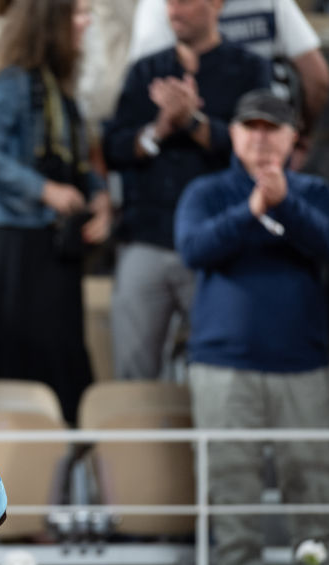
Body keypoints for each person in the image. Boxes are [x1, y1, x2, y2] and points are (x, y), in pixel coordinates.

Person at [175, 90, 329, 565]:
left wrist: (283, 203)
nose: (261, 138)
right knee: (231, 491)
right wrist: (250, 209)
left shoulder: (313, 192)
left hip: (302, 366)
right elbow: (193, 249)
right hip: (223, 367)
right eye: (251, 127)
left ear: (293, 138)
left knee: (312, 486)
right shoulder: (205, 192)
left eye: (273, 129)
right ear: (233, 134)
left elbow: (328, 244)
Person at [102, 0, 270, 380]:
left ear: (216, 5)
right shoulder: (146, 70)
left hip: (218, 244)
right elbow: (114, 148)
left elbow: (258, 149)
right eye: (170, 2)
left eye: (186, 1)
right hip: (146, 236)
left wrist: (194, 122)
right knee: (132, 370)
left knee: (222, 369)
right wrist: (160, 128)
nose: (174, 10)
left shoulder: (249, 68)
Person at [0, 0, 110, 424]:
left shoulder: (61, 88)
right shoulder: (11, 83)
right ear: (52, 22)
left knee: (64, 360)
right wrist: (44, 189)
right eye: (78, 13)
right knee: (24, 364)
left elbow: (78, 163)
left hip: (57, 247)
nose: (86, 22)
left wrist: (100, 198)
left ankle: (66, 456)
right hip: (20, 244)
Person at [126, 0, 329, 143]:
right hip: (253, 145)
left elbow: (318, 79)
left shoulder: (155, 6)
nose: (174, 9)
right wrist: (297, 140)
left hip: (235, 143)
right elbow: (317, 80)